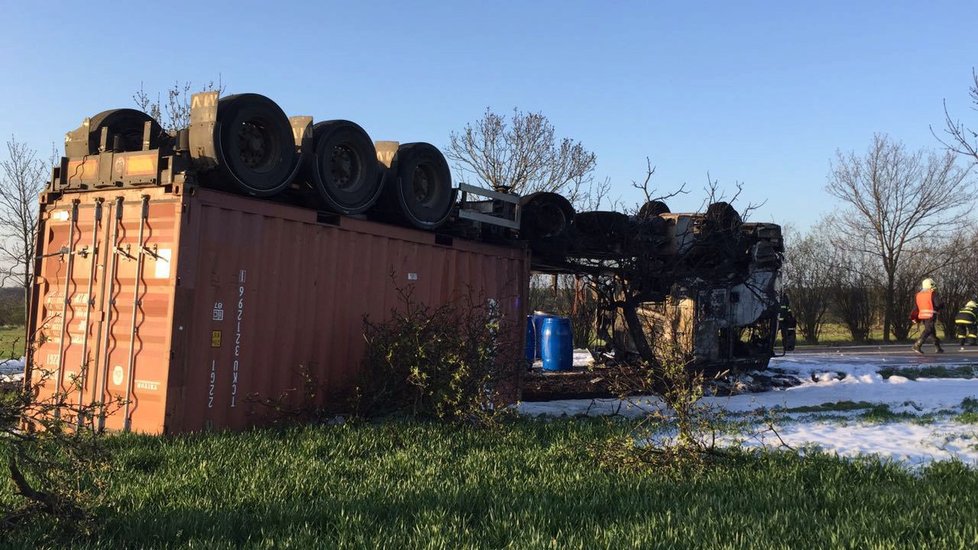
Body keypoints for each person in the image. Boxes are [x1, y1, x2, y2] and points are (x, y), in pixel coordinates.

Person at [911, 278, 944, 354]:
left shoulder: (918, 295)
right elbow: (938, 304)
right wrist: (942, 305)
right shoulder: (932, 293)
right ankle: (917, 345)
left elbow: (915, 307)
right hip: (930, 315)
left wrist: (913, 316)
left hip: (922, 315)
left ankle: (938, 348)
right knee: (928, 330)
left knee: (932, 331)